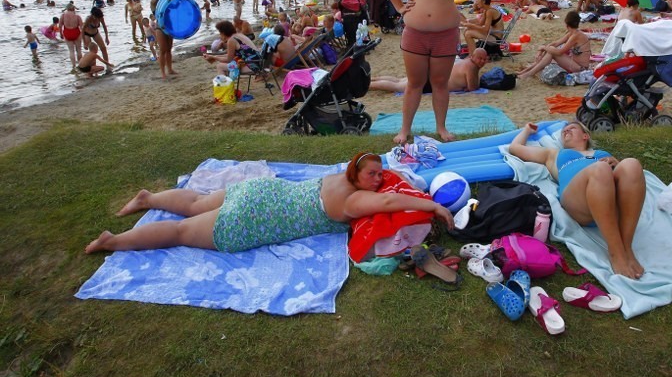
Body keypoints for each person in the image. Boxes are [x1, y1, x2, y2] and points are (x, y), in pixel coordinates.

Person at [84, 152, 454, 255]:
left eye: (379, 174)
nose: (379, 178)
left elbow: (386, 185)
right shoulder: (357, 200)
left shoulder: (341, 174)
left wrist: (392, 176)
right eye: (373, 175)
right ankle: (113, 241)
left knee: (196, 202)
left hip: (262, 191)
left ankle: (148, 198)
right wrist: (433, 207)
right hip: (255, 217)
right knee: (181, 232)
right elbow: (388, 203)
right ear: (359, 179)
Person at [509, 122, 645, 279]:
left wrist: (616, 164)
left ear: (585, 136)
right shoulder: (555, 154)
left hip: (610, 203)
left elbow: (629, 185)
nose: (566, 129)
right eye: (564, 130)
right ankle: (616, 252)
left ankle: (627, 247)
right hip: (579, 200)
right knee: (600, 169)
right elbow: (515, 148)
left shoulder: (602, 153)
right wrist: (527, 130)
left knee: (631, 164)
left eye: (572, 128)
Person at [386, 0, 466, 144]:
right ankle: (404, 130)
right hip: (415, 32)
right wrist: (400, 7)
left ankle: (441, 128)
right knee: (414, 83)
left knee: (440, 83)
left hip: (445, 33)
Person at [371, 48, 489, 93]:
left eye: (484, 59)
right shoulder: (472, 67)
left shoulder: (466, 61)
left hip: (431, 74)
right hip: (432, 82)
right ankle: (369, 85)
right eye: (479, 58)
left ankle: (372, 79)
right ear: (473, 57)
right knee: (397, 87)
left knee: (398, 81)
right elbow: (473, 87)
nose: (482, 62)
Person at [517, 10, 591, 80]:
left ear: (566, 24)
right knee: (550, 50)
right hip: (575, 64)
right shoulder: (572, 33)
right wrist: (541, 50)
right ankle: (525, 71)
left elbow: (559, 52)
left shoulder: (576, 36)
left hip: (580, 69)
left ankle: (528, 74)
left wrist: (543, 47)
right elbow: (556, 43)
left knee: (551, 52)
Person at [151, 0, 177, 80]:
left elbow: (177, 6)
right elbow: (155, 0)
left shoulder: (168, 2)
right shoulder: (154, 3)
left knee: (169, 49)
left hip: (169, 27)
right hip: (159, 28)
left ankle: (170, 69)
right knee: (162, 50)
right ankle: (163, 73)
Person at [59, 3, 83, 69]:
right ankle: (80, 64)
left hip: (67, 32)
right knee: (79, 50)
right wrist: (83, 36)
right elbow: (82, 27)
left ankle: (73, 66)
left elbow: (60, 25)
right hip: (76, 32)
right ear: (73, 9)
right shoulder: (77, 16)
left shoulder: (63, 16)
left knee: (71, 51)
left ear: (67, 8)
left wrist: (61, 34)